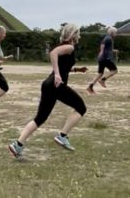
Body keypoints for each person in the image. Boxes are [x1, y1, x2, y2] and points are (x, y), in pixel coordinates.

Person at [8, 24, 88, 159]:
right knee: (81, 107)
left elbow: (63, 66)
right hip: (56, 85)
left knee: (40, 118)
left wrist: (76, 70)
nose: (79, 36)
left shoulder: (66, 47)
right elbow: (53, 53)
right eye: (78, 33)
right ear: (73, 34)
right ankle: (62, 136)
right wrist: (57, 74)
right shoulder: (69, 47)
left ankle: (17, 145)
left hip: (48, 85)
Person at [87, 27, 119, 94]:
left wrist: (113, 50)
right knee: (114, 70)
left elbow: (107, 48)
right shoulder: (108, 38)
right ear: (112, 32)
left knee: (100, 73)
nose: (116, 34)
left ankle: (90, 87)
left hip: (102, 58)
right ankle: (103, 80)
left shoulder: (108, 37)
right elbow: (102, 45)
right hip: (105, 58)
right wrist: (101, 52)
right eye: (115, 33)